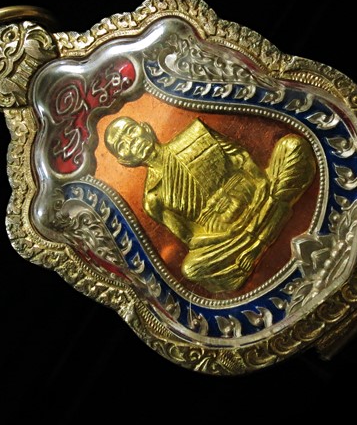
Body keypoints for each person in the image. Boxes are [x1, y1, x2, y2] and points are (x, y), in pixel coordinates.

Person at [104, 116, 316, 293]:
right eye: (122, 145)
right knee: (192, 269)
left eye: (131, 131)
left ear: (145, 127)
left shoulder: (196, 133)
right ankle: (273, 216)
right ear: (124, 161)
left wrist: (261, 185)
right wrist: (226, 234)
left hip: (257, 195)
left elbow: (240, 157)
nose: (131, 141)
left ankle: (258, 241)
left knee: (292, 147)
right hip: (229, 236)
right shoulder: (153, 199)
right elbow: (190, 238)